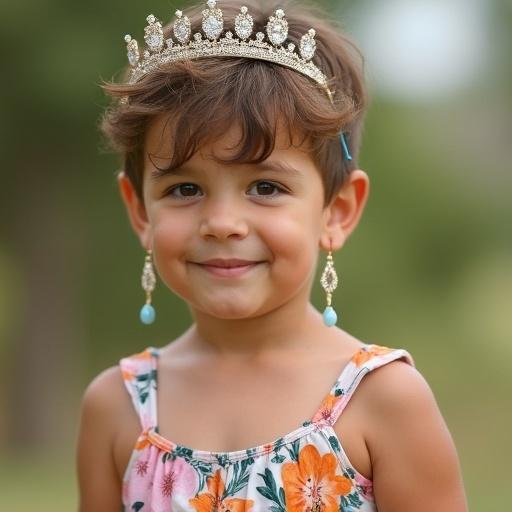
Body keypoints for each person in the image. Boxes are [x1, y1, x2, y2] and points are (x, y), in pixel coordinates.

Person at [76, 0, 468, 510]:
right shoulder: (118, 408)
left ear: (337, 211)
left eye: (264, 186)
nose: (222, 223)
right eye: (184, 189)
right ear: (141, 213)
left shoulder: (384, 402)